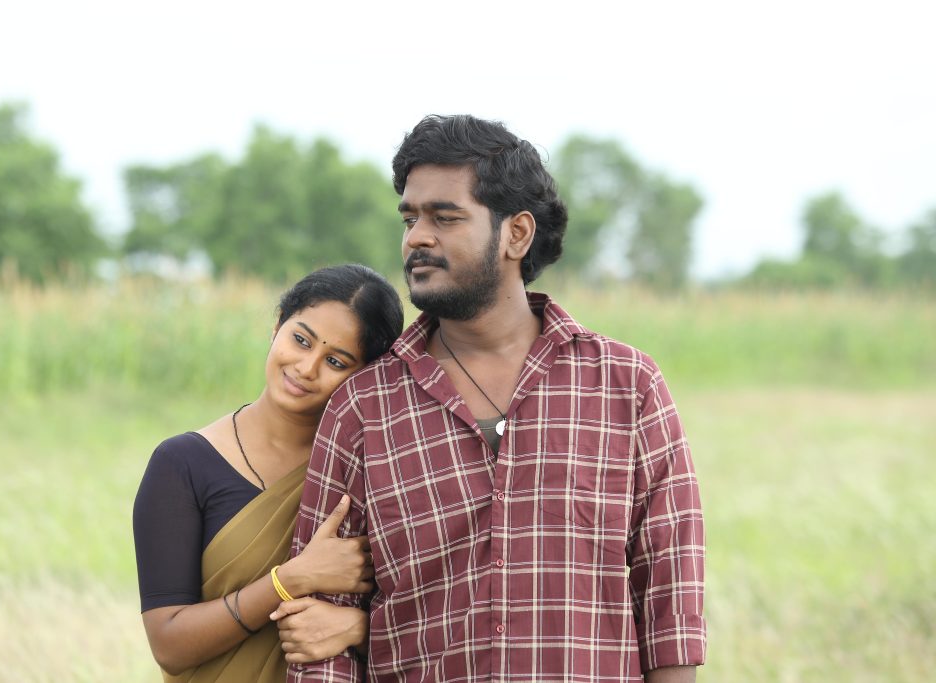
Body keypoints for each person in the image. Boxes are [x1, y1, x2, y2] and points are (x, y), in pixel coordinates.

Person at [281, 116, 706, 682]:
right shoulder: (364, 407)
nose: (416, 238)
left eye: (445, 217)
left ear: (517, 234)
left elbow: (670, 596)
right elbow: (318, 628)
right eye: (410, 218)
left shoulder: (627, 386)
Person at [132, 264, 404, 683]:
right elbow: (169, 645)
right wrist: (290, 580)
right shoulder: (182, 464)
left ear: (364, 376)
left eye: (335, 360)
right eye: (301, 340)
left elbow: (438, 619)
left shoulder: (370, 474)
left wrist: (361, 629)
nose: (307, 367)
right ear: (277, 326)